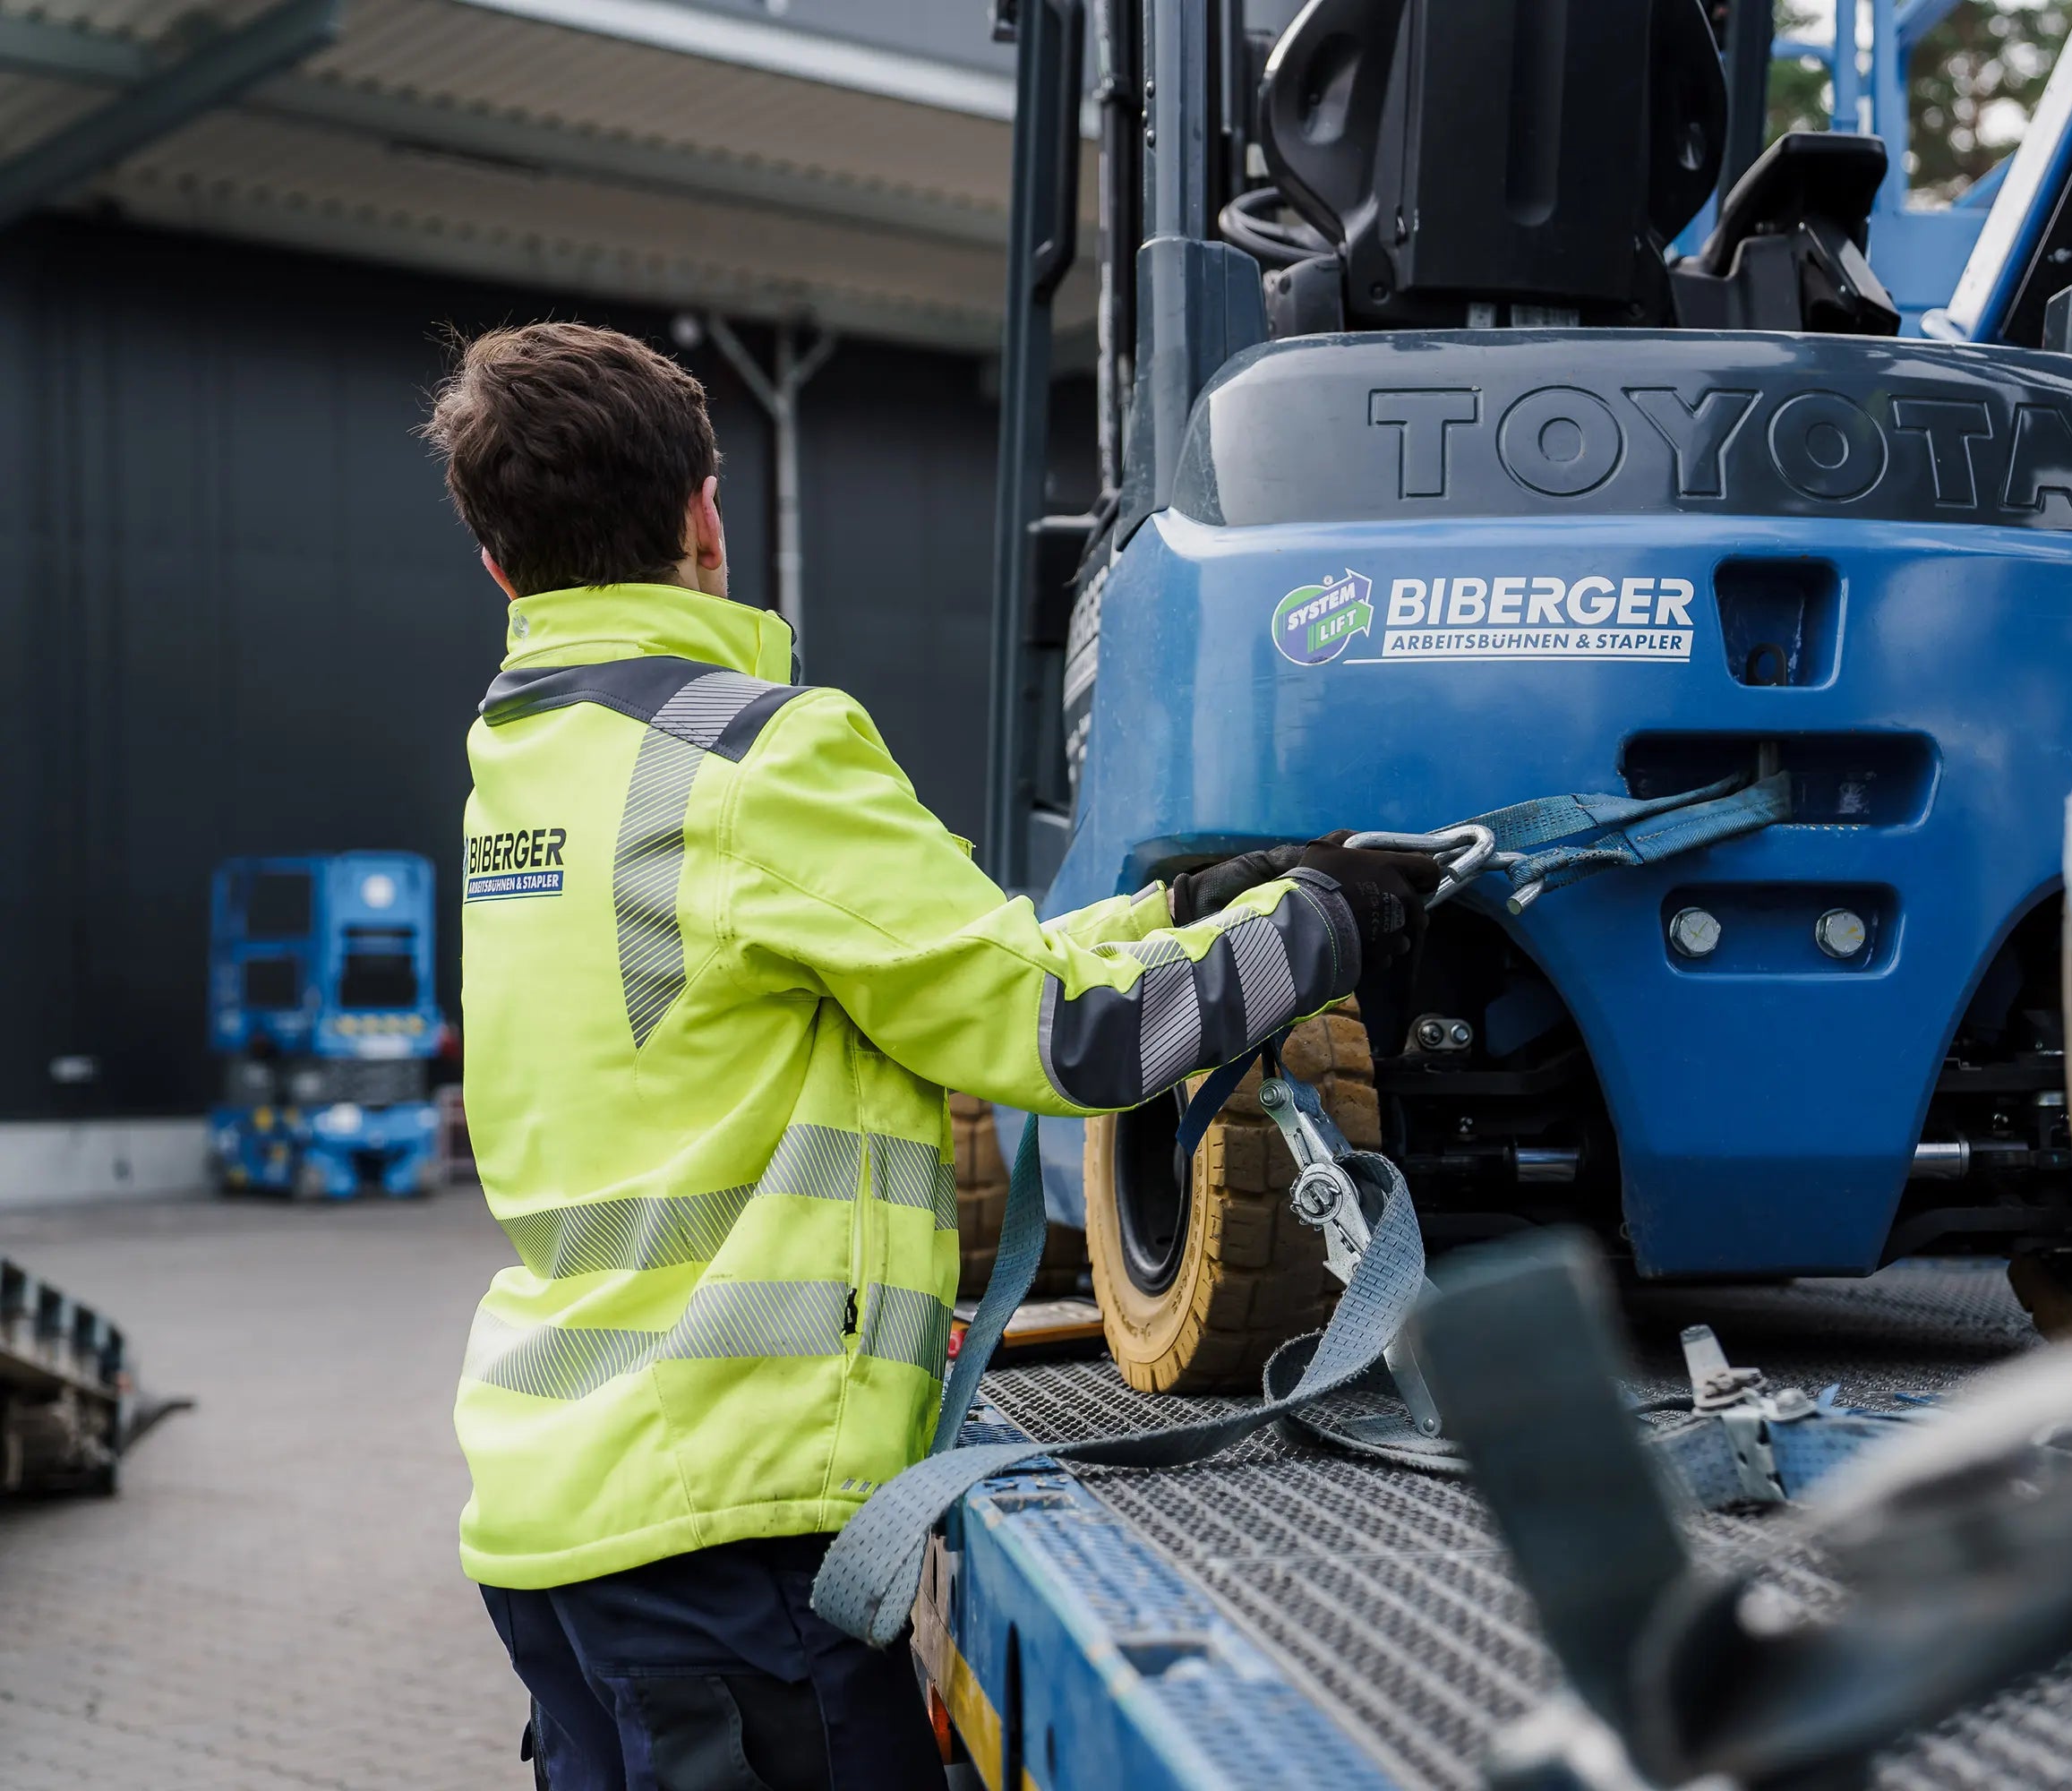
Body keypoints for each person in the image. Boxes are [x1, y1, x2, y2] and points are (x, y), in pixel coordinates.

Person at [424, 321, 1437, 1790]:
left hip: (567, 1518)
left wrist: (1187, 911)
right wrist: (1321, 928)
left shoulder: (524, 769)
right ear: (706, 515)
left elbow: (947, 967)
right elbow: (1068, 1034)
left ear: (498, 567)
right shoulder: (752, 757)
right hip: (724, 1533)